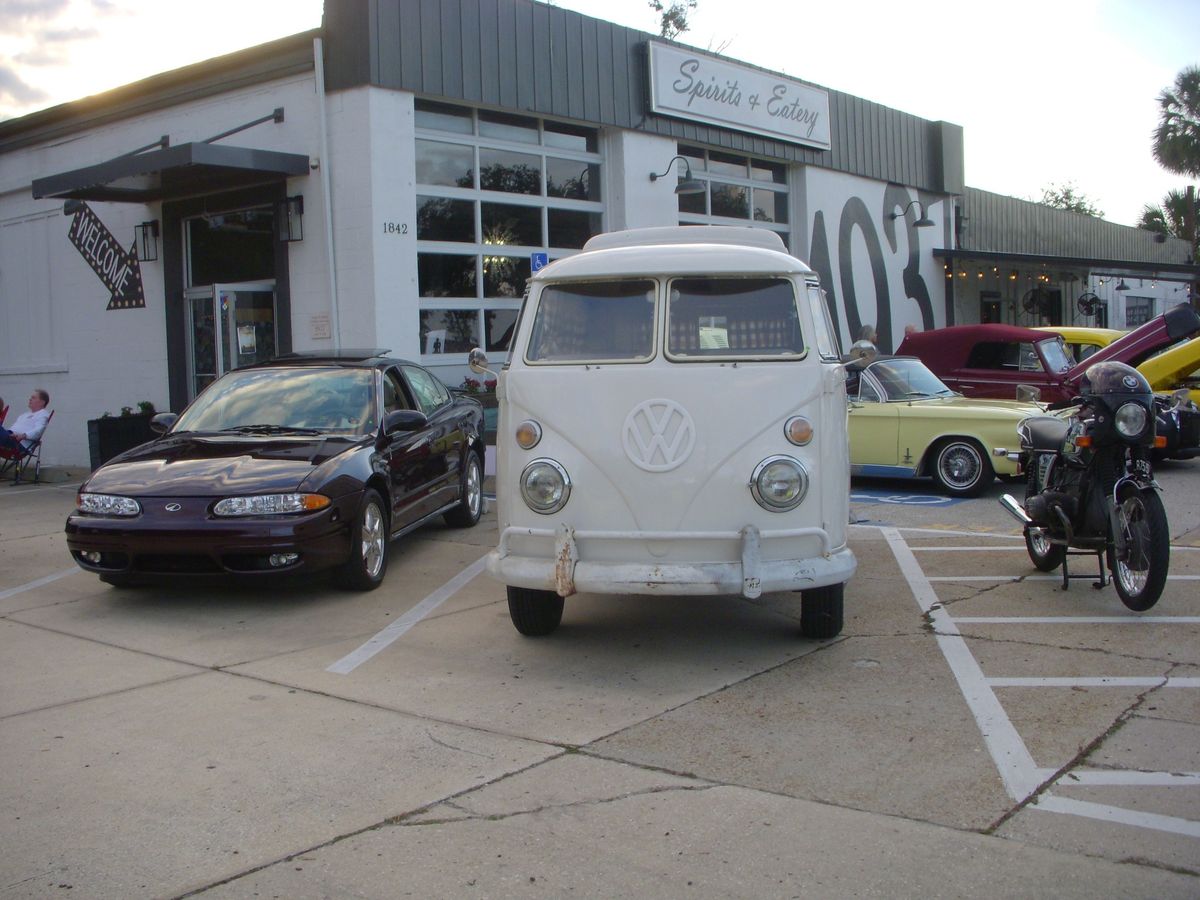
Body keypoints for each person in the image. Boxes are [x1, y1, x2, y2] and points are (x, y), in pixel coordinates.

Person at [0, 389, 51, 455]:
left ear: (42, 402)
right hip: (9, 438)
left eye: (33, 398)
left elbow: (39, 430)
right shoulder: (24, 415)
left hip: (19, 445)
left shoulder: (43, 415)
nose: (30, 399)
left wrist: (23, 435)